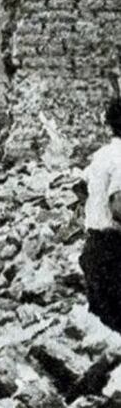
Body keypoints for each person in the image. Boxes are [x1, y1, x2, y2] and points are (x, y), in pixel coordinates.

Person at [80, 95, 121, 333]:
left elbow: (79, 186)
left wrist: (94, 212)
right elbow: (118, 207)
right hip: (114, 252)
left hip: (94, 247)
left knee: (103, 334)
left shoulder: (103, 154)